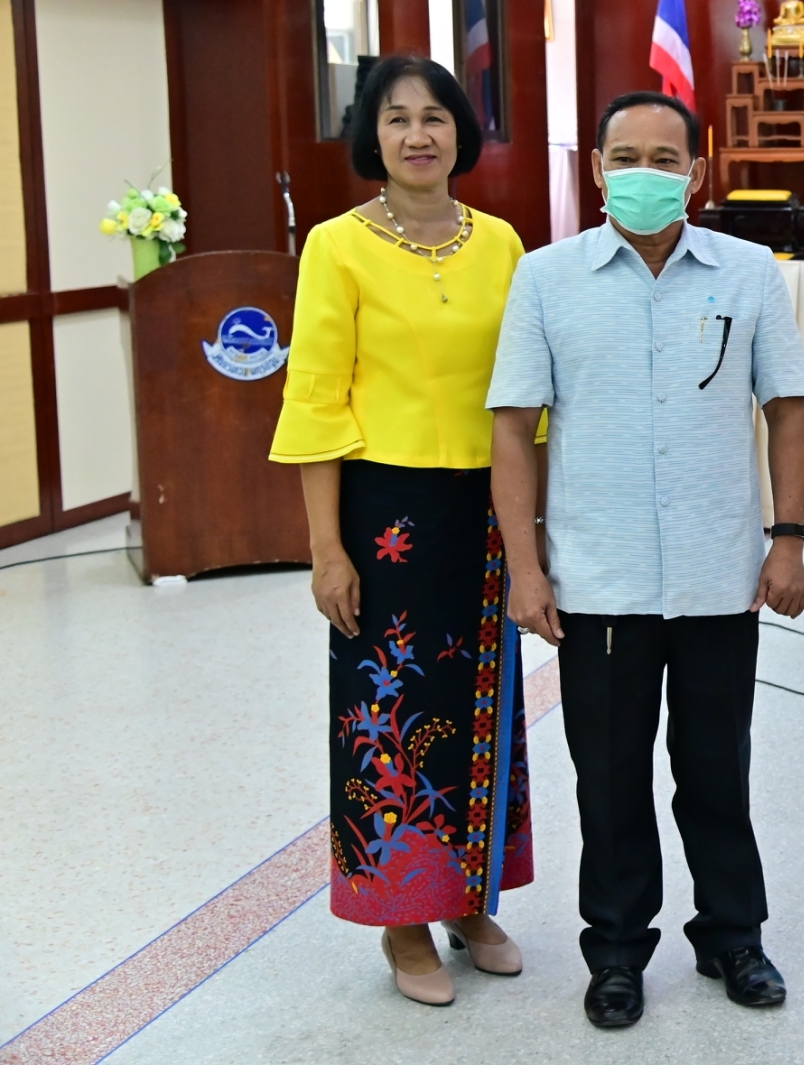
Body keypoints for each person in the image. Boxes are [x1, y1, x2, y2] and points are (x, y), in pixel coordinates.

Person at [486, 90, 804, 1032]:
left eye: (665, 160)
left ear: (696, 174)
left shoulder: (748, 273)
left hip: (720, 575)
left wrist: (788, 540)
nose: (645, 174)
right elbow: (513, 430)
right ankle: (618, 951)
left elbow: (786, 411)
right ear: (597, 171)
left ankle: (733, 937)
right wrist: (526, 567)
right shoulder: (546, 278)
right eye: (625, 158)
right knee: (610, 780)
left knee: (717, 774)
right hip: (600, 580)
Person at [270, 55, 537, 1007]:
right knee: (389, 715)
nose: (418, 135)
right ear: (372, 138)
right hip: (384, 514)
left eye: (435, 116)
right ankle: (402, 919)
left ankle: (468, 897)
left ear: (461, 131)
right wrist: (325, 550)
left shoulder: (501, 243)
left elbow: (530, 394)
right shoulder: (337, 246)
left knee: (483, 708)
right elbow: (315, 398)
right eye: (396, 119)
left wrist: (534, 531)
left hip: (487, 513)